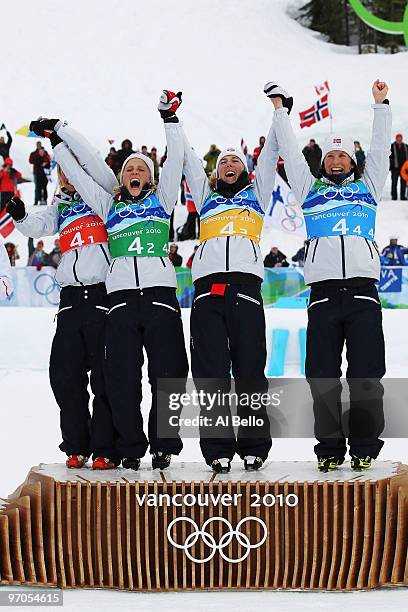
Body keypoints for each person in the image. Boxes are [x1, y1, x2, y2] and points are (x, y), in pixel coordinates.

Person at [33, 90, 188, 472]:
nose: (136, 174)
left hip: (160, 298)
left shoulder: (162, 201)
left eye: (142, 171)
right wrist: (56, 142)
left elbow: (177, 160)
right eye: (130, 170)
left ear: (151, 179)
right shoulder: (109, 205)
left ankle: (164, 444)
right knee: (121, 381)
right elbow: (82, 178)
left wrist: (170, 121)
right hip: (118, 302)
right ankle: (131, 446)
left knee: (169, 377)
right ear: (122, 179)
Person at [270, 79, 391, 473]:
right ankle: (329, 447)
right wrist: (280, 111)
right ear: (321, 165)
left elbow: (379, 151)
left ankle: (365, 447)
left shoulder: (368, 188)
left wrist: (380, 105)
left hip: (362, 292)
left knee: (367, 374)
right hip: (322, 294)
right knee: (321, 374)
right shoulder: (310, 192)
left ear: (352, 165)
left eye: (342, 157)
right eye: (330, 158)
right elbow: (289, 153)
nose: (336, 162)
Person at [180, 82, 289, 473]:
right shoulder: (206, 199)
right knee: (209, 372)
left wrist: (279, 109)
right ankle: (217, 449)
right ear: (215, 171)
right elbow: (189, 160)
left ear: (244, 170)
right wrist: (171, 119)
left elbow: (272, 154)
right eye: (224, 162)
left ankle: (255, 445)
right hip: (208, 292)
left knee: (249, 369)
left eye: (236, 163)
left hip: (245, 289)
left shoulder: (255, 196)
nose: (229, 166)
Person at [8, 145, 118, 471]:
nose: (67, 178)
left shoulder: (102, 199)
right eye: (62, 173)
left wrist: (60, 138)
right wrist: (20, 215)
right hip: (70, 299)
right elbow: (38, 225)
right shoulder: (63, 206)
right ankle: (76, 445)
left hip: (100, 296)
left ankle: (104, 448)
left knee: (102, 377)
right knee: (64, 376)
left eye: (72, 171)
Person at [390, 133, 408, 200]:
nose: (399, 140)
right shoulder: (392, 146)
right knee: (394, 183)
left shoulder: (406, 146)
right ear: (396, 139)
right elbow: (389, 157)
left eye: (400, 139)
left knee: (403, 183)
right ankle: (394, 197)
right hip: (395, 169)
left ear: (402, 139)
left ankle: (403, 197)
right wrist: (391, 166)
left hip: (404, 169)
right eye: (398, 139)